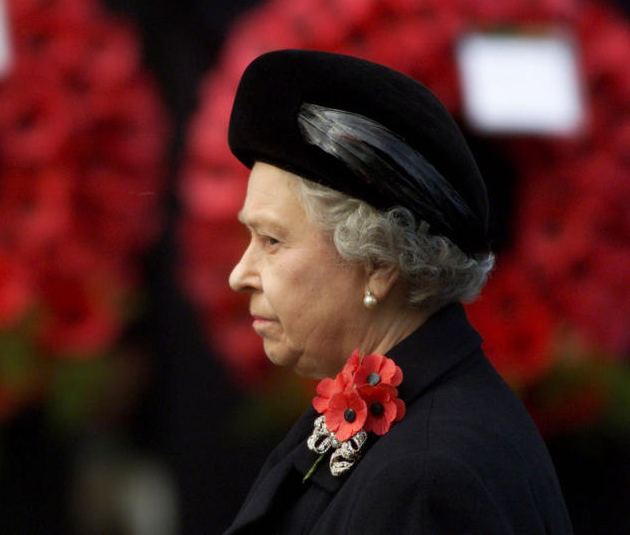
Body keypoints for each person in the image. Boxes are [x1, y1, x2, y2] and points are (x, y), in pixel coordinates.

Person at [223, 50, 572, 534]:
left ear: (379, 263)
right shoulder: (423, 424)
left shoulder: (425, 483)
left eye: (272, 240)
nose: (239, 274)